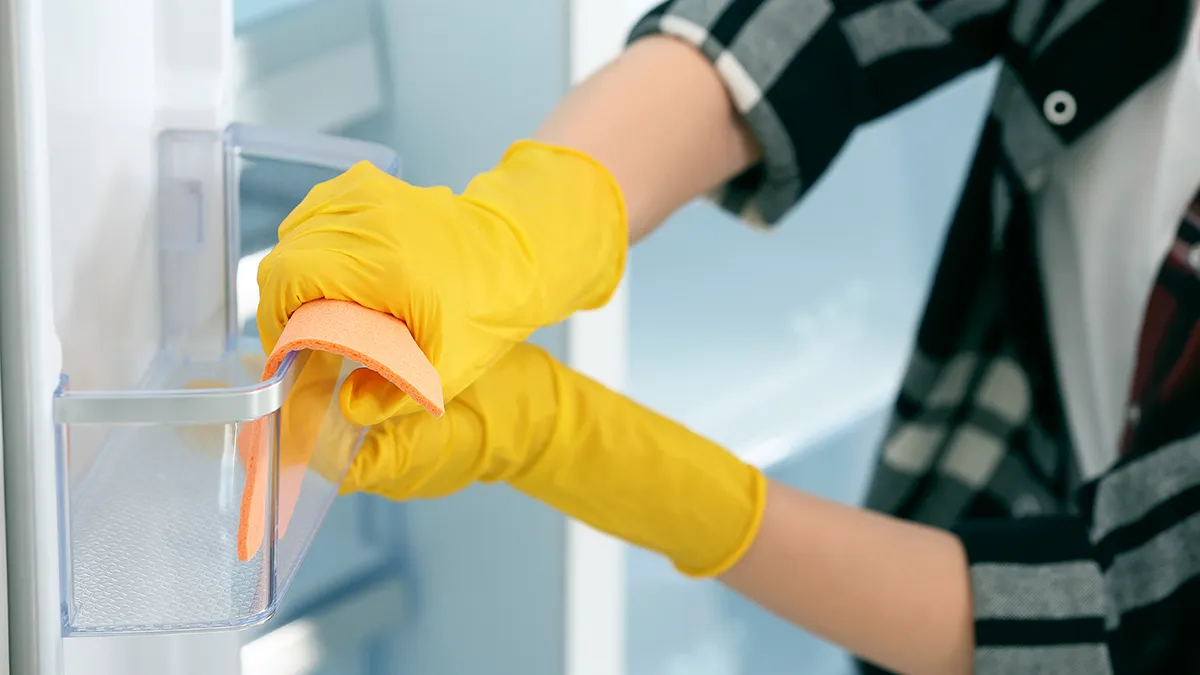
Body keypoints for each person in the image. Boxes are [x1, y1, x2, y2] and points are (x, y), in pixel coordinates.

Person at [256, 0, 1200, 672]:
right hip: (1013, 438)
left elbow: (1111, 617)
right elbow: (810, 19)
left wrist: (571, 440)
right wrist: (528, 229)